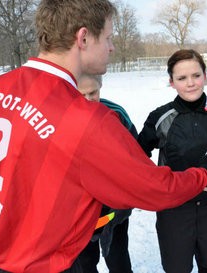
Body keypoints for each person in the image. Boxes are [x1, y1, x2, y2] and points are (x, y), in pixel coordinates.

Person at [0, 1, 207, 272]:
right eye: (108, 38)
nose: (112, 47)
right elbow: (156, 189)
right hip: (31, 265)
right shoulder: (87, 119)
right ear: (83, 38)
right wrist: (204, 174)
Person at [138, 49, 207, 273]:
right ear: (172, 82)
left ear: (205, 75)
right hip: (173, 211)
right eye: (182, 78)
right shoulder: (160, 118)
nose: (190, 83)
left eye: (196, 76)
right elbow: (137, 158)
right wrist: (156, 189)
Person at [75, 74, 134, 273]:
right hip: (80, 214)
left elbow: (136, 161)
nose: (89, 99)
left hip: (113, 210)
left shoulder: (117, 114)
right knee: (85, 263)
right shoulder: (60, 117)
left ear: (100, 86)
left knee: (118, 259)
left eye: (93, 92)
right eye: (81, 94)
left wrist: (126, 201)